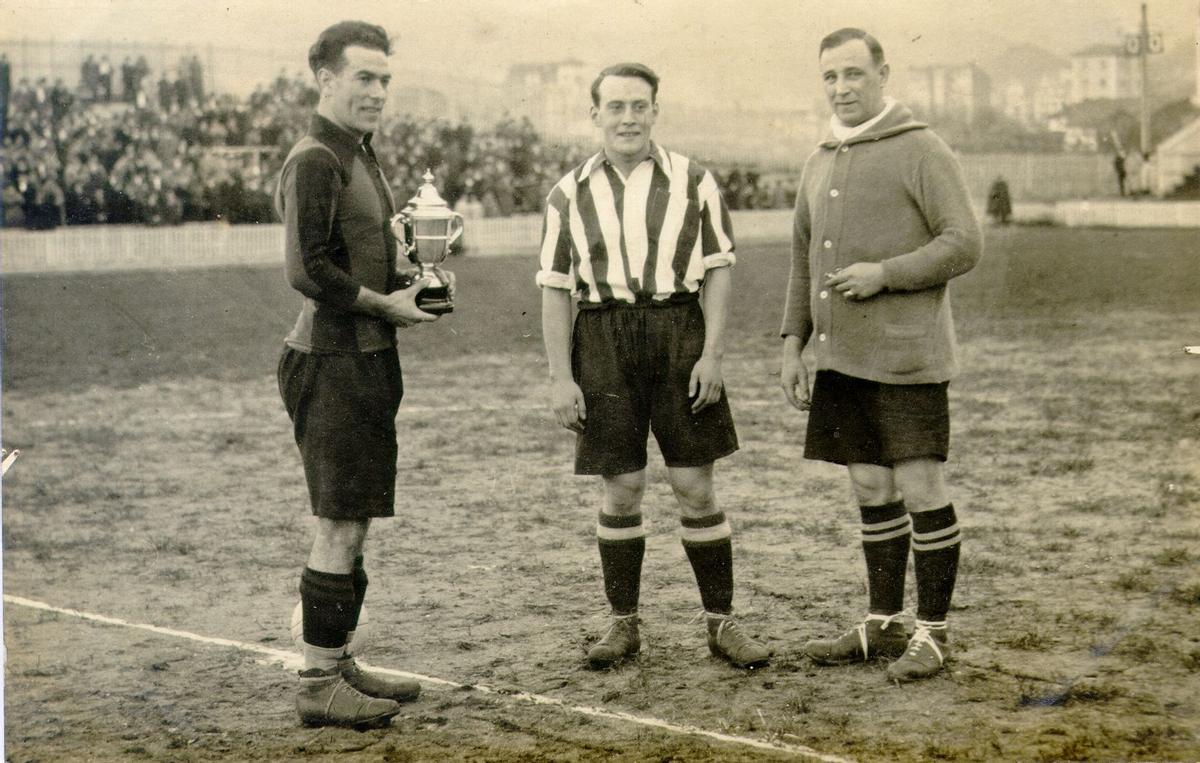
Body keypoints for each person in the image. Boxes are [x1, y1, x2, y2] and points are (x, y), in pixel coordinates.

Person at [538, 62, 770, 671]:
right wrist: (562, 377)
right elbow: (556, 289)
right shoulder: (568, 193)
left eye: (639, 106)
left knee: (694, 483)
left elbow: (719, 267)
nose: (628, 118)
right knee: (622, 487)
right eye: (615, 107)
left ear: (655, 111)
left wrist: (712, 353)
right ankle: (623, 624)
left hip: (679, 331)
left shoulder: (694, 181)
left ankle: (721, 622)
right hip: (604, 336)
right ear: (595, 116)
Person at [779, 28, 982, 683]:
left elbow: (964, 242)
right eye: (830, 77)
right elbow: (800, 259)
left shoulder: (921, 146)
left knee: (922, 485)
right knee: (869, 485)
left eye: (854, 74)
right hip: (842, 358)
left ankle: (935, 632)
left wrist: (885, 273)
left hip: (906, 355)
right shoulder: (819, 157)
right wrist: (793, 342)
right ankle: (885, 622)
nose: (842, 88)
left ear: (883, 73)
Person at [276, 20, 440, 727]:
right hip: (333, 360)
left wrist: (416, 279)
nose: (377, 91)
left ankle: (337, 657)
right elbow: (305, 269)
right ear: (326, 78)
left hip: (369, 356)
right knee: (340, 523)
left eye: (385, 79)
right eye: (364, 78)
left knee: (358, 518)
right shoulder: (316, 157)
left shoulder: (360, 154)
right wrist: (385, 306)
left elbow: (363, 254)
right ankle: (317, 682)